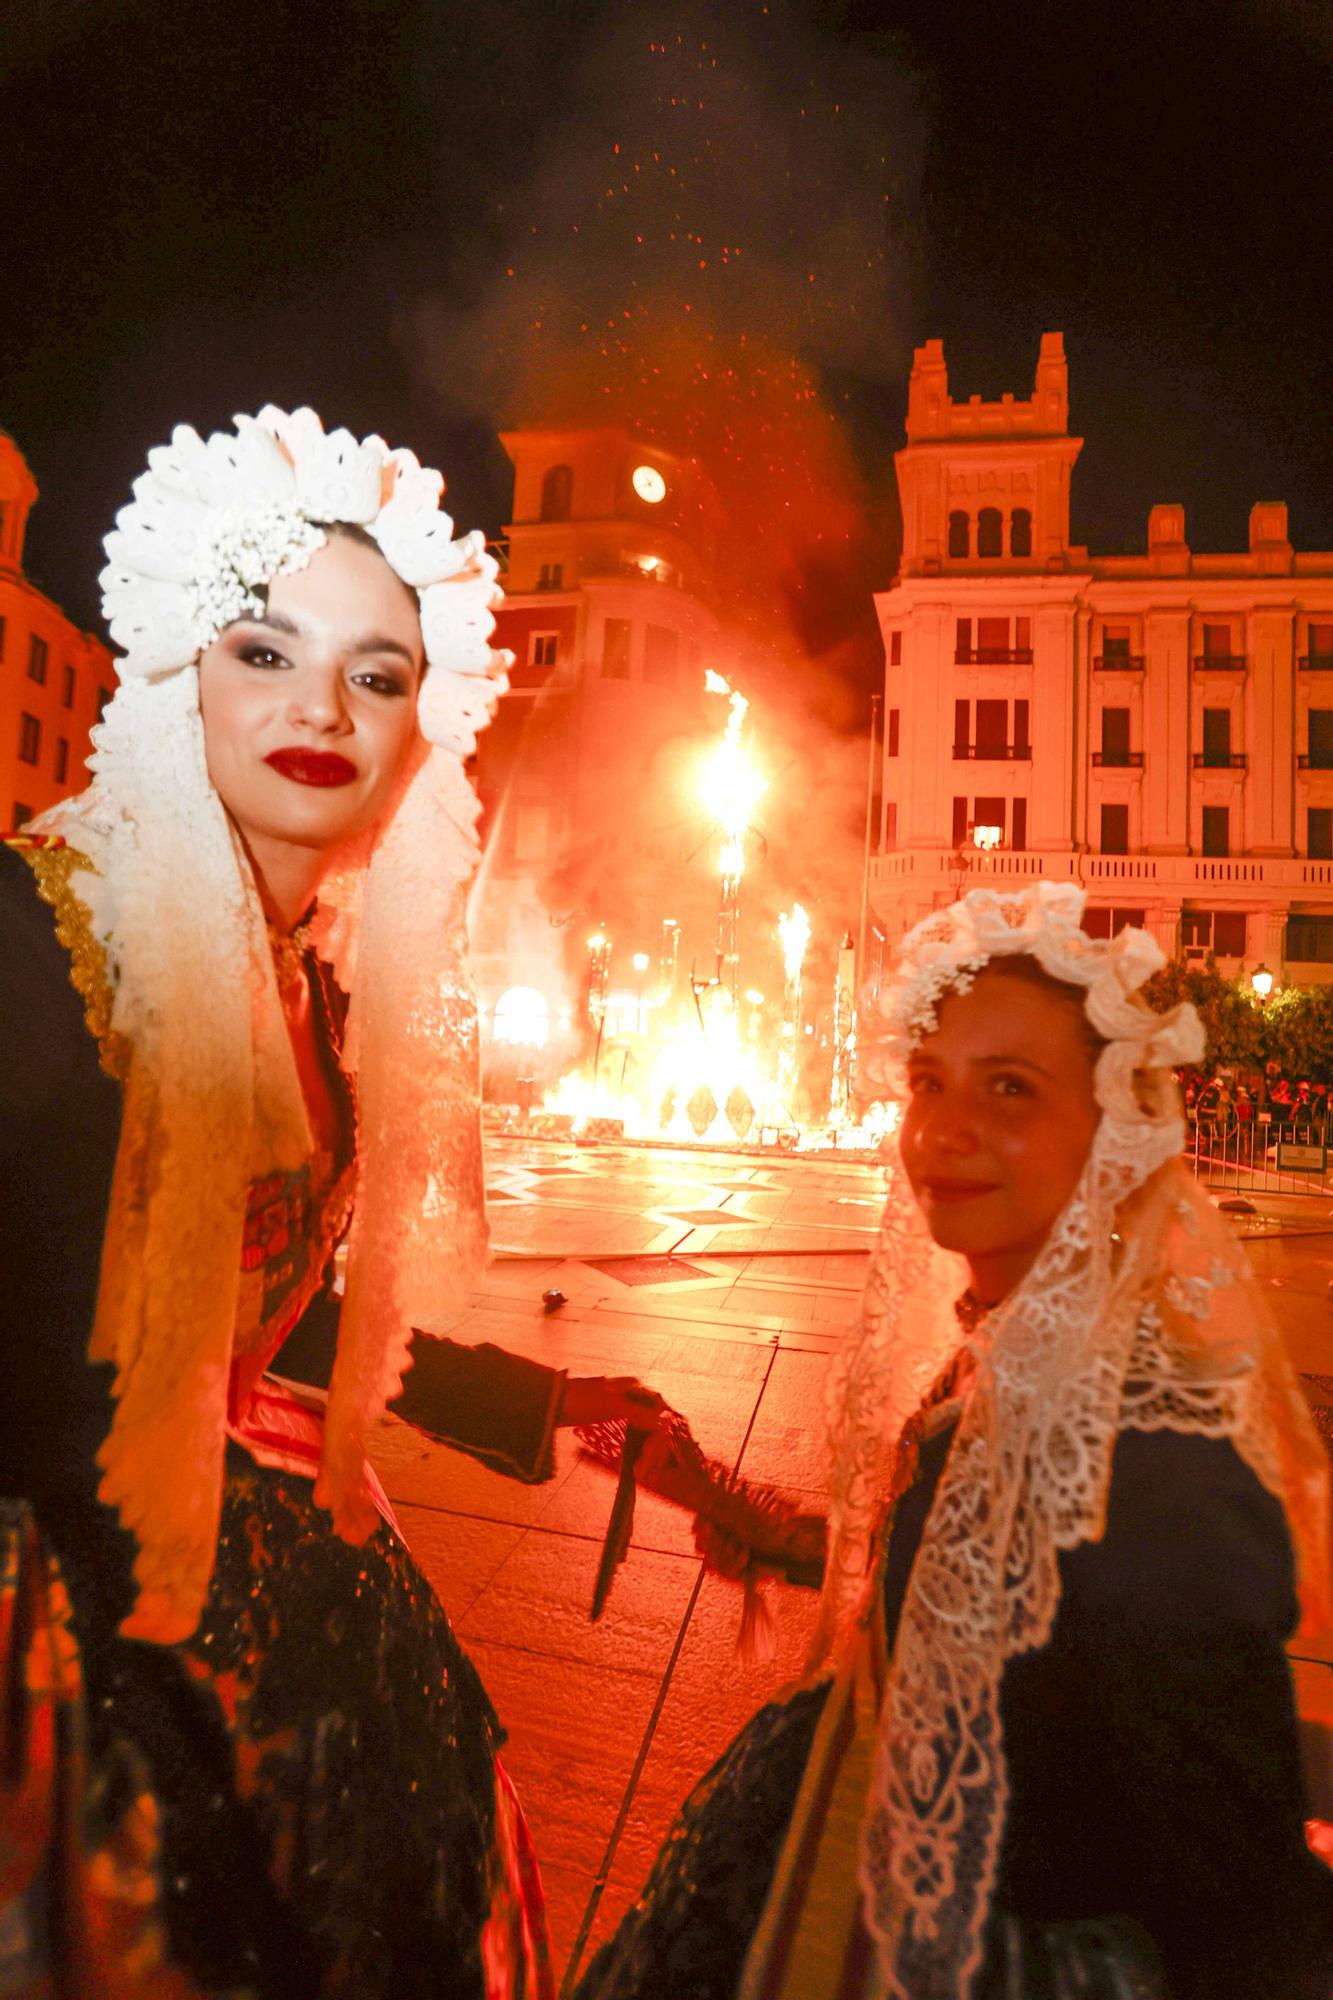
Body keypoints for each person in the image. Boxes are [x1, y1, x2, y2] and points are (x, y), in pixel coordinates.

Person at [0, 408, 661, 1999]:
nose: (323, 709)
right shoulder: (47, 939)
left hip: (252, 1598)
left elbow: (252, 1345)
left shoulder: (318, 1000)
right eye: (265, 651)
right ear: (179, 679)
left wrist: (548, 1399)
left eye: (376, 673)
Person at [576, 883, 1333, 2000]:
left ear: (1113, 1129)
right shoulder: (1025, 1345)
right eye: (928, 1082)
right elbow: (978, 1589)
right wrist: (761, 1522)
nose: (944, 1129)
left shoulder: (1158, 1462)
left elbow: (1243, 1904)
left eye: (1011, 1089)